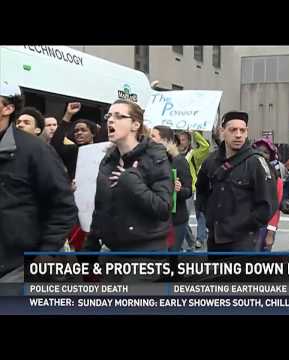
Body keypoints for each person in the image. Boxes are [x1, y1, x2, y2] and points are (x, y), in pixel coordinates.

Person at [0, 81, 77, 282]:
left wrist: (45, 254)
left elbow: (63, 206)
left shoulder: (35, 150)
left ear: (8, 108)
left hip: (17, 269)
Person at [83, 99, 173, 252]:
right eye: (109, 116)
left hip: (146, 250)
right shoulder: (108, 160)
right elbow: (101, 207)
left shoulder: (155, 157)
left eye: (119, 116)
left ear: (135, 125)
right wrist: (90, 244)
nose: (111, 120)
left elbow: (163, 208)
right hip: (113, 250)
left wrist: (130, 181)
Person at [196, 111, 278, 251]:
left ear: (247, 132)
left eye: (242, 130)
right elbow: (201, 191)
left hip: (243, 242)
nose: (238, 134)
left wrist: (244, 225)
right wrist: (210, 217)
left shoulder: (256, 162)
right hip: (215, 240)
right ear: (223, 131)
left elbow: (267, 205)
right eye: (233, 130)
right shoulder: (210, 161)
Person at [151, 126, 192, 252]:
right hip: (155, 218)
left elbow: (188, 191)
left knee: (171, 256)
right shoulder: (149, 160)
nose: (149, 139)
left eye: (153, 136)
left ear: (165, 140)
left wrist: (179, 190)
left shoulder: (179, 161)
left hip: (176, 220)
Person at [177, 130, 211, 250]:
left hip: (189, 189)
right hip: (174, 188)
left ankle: (189, 241)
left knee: (183, 217)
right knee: (177, 217)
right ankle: (188, 241)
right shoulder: (172, 153)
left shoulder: (193, 154)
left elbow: (206, 147)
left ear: (188, 141)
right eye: (179, 139)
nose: (181, 142)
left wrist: (195, 132)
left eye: (184, 139)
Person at [50, 102, 98, 180]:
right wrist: (68, 115)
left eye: (83, 130)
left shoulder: (100, 151)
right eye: (76, 131)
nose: (79, 133)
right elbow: (55, 143)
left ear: (93, 134)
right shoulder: (72, 150)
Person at [252, 138, 284, 251]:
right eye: (258, 151)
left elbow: (275, 209)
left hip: (264, 228)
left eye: (265, 152)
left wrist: (270, 233)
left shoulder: (276, 180)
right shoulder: (245, 172)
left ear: (271, 156)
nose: (261, 154)